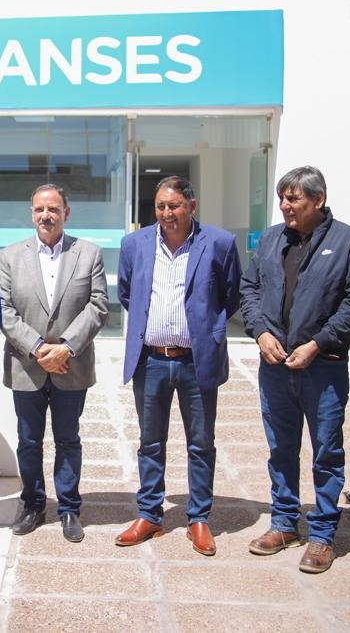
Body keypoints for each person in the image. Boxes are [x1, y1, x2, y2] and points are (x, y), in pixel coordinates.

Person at [239, 166, 350, 573]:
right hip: (275, 366)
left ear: (318, 200)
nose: (285, 205)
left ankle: (322, 534)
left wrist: (317, 343)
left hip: (323, 367)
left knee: (326, 452)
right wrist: (261, 332)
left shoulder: (348, 241)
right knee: (281, 449)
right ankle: (283, 523)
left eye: (293, 198)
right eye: (282, 198)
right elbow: (250, 289)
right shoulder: (272, 239)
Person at [115, 177, 241, 554]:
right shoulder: (134, 244)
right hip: (150, 361)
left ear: (192, 206)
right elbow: (127, 293)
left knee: (201, 444)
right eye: (160, 206)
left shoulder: (219, 243)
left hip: (196, 361)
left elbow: (231, 296)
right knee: (150, 442)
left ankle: (198, 518)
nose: (167, 213)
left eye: (174, 206)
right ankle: (150, 515)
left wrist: (206, 328)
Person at [0, 184, 108, 543]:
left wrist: (66, 348)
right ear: (31, 213)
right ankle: (33, 504)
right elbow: (5, 311)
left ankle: (69, 508)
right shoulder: (10, 256)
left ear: (66, 213)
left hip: (71, 365)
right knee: (29, 441)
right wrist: (38, 348)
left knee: (68, 439)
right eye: (39, 210)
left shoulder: (88, 253)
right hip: (26, 365)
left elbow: (98, 306)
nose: (46, 216)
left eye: (53, 209)